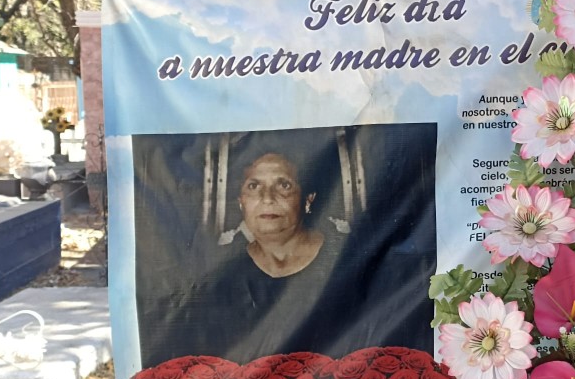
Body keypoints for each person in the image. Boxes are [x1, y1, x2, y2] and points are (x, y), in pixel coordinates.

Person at [139, 138, 435, 367]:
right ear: (242, 203)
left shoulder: (348, 259)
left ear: (307, 200)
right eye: (254, 186)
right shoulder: (221, 274)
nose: (267, 198)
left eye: (283, 185)